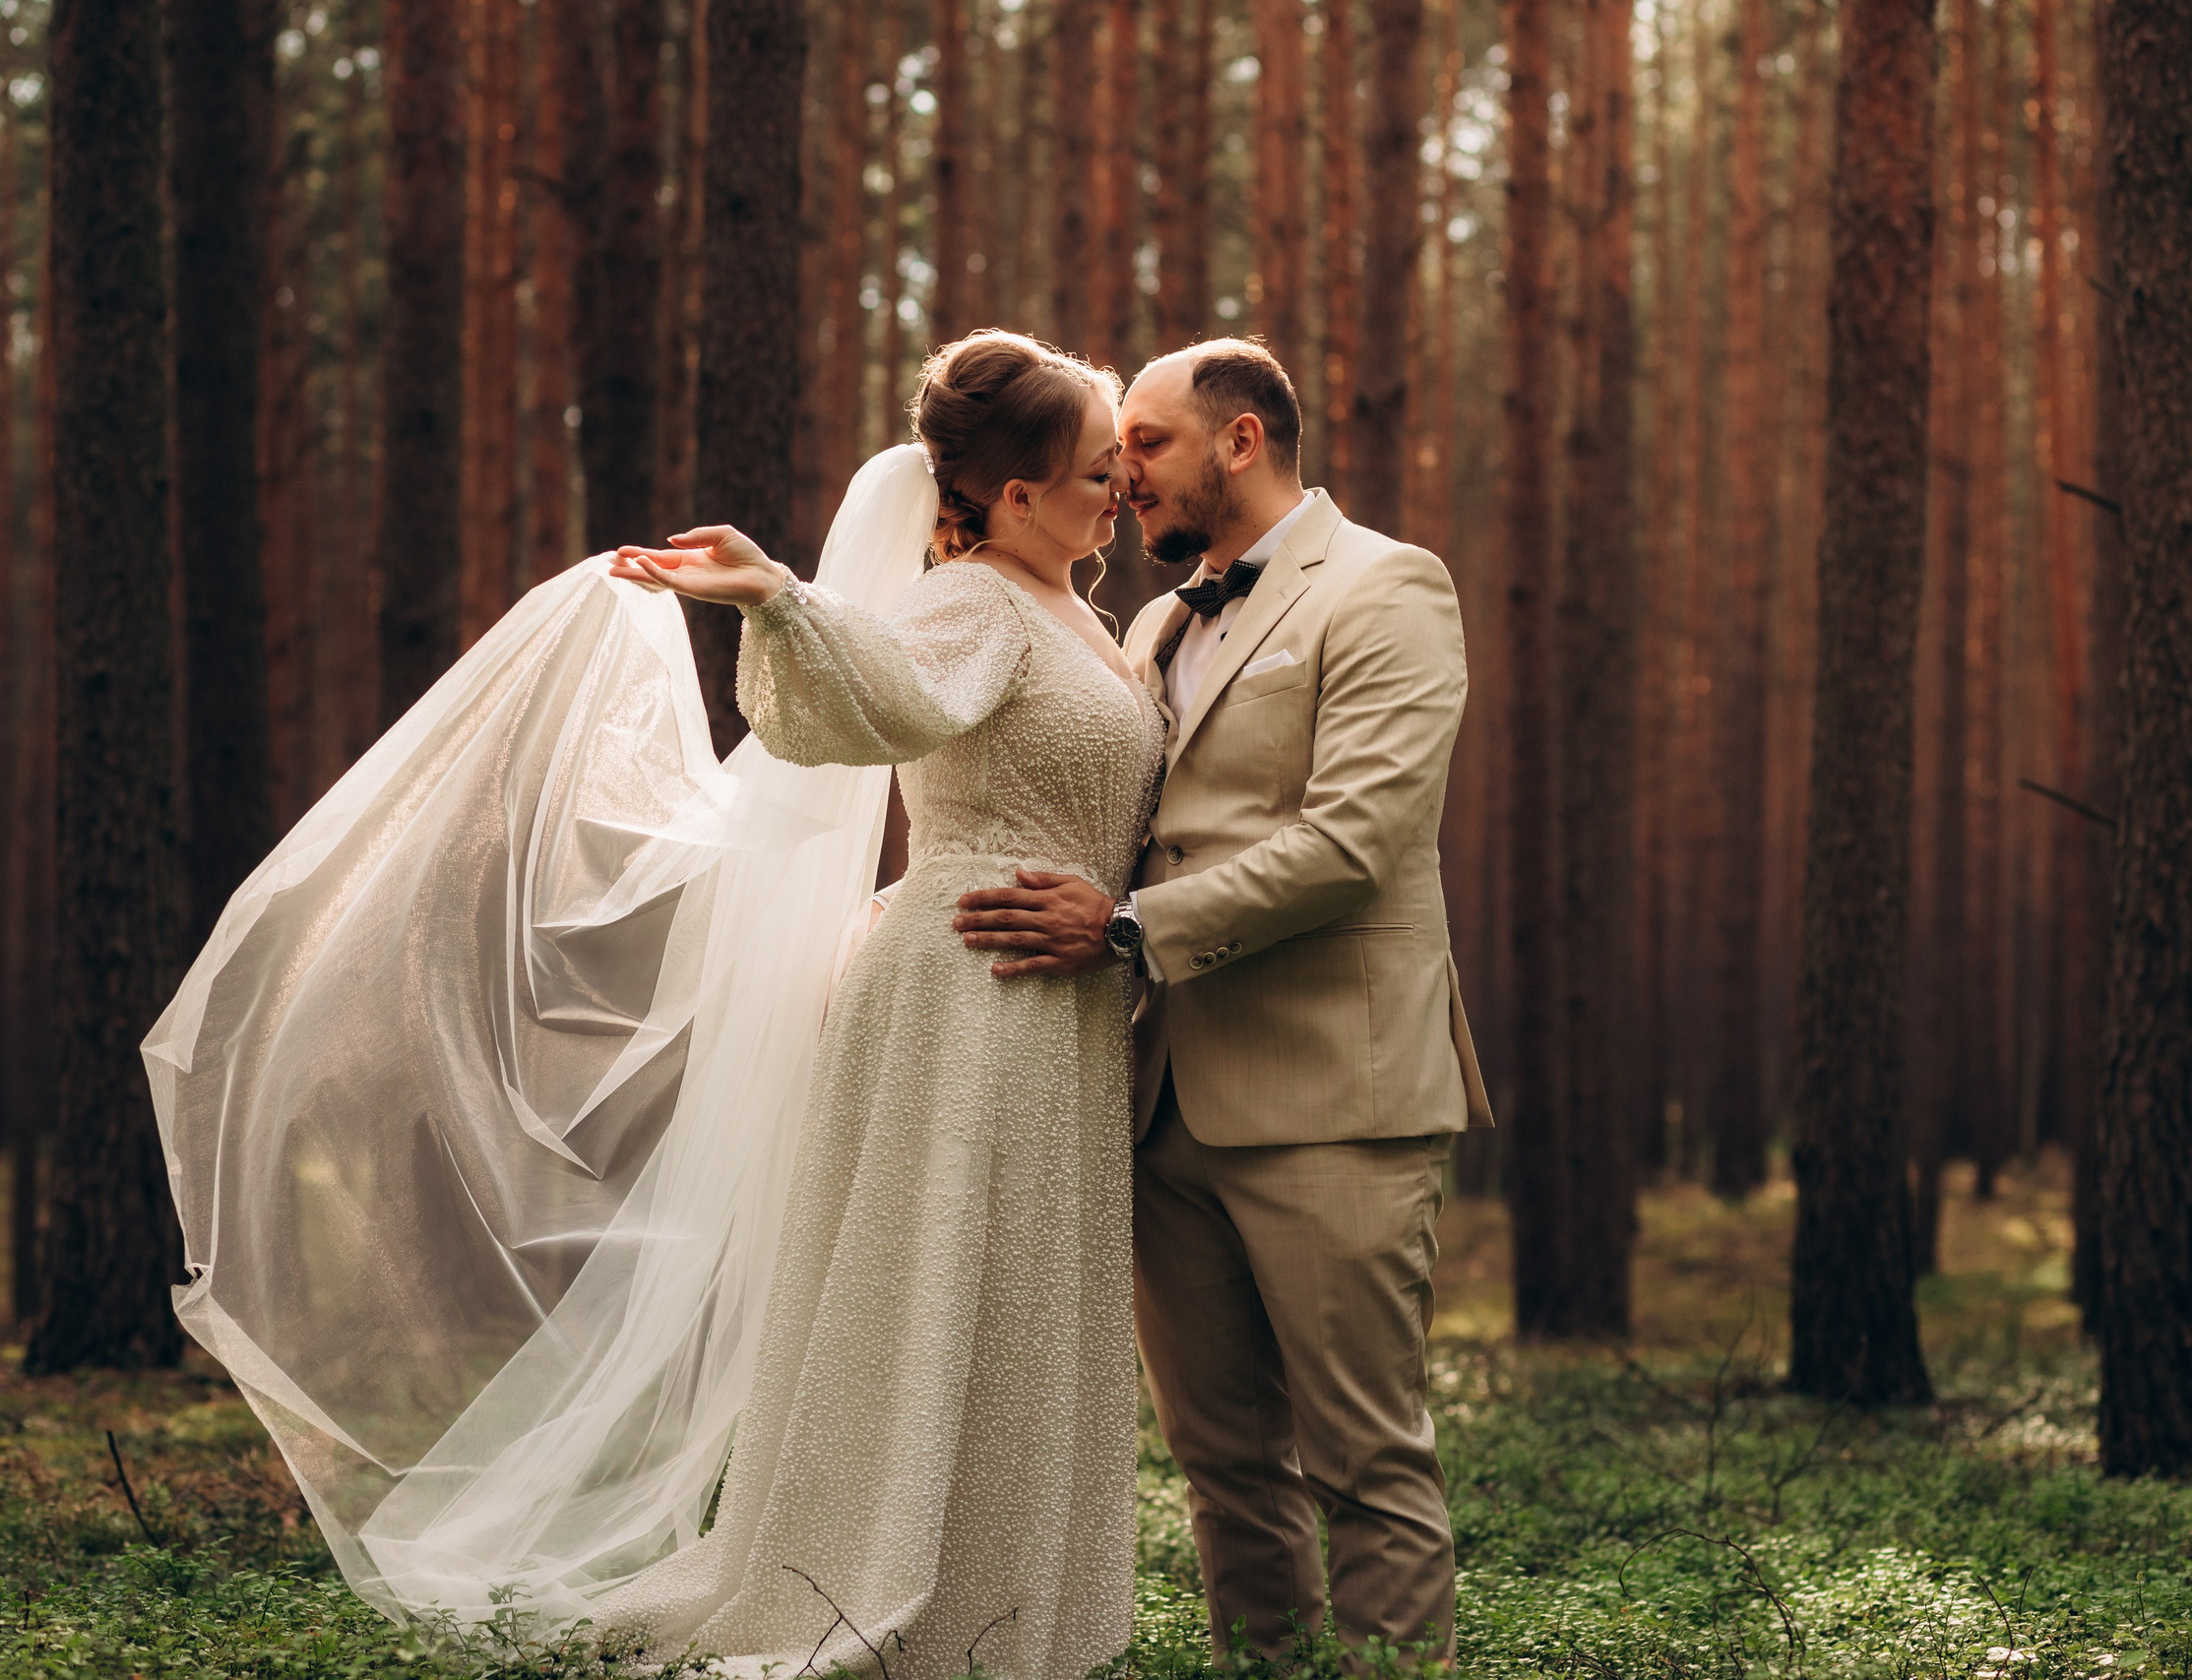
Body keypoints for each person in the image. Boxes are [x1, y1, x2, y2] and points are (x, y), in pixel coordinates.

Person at [151, 330, 1157, 1680]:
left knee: (1020, 1297)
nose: (1121, 492)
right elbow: (890, 700)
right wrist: (782, 604)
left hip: (1058, 995)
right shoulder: (970, 602)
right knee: (944, 1295)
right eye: (1098, 471)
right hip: (970, 992)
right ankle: (892, 1591)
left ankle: (1013, 1598)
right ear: (1018, 494)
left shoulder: (1076, 612)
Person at [953, 338, 1490, 1664]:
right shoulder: (1152, 623)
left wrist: (1127, 929)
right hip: (1160, 1101)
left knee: (1367, 1462)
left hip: (1336, 1098)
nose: (1118, 470)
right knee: (1222, 1470)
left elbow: (1355, 842)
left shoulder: (1387, 591)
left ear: (1240, 441)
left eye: (1146, 442)